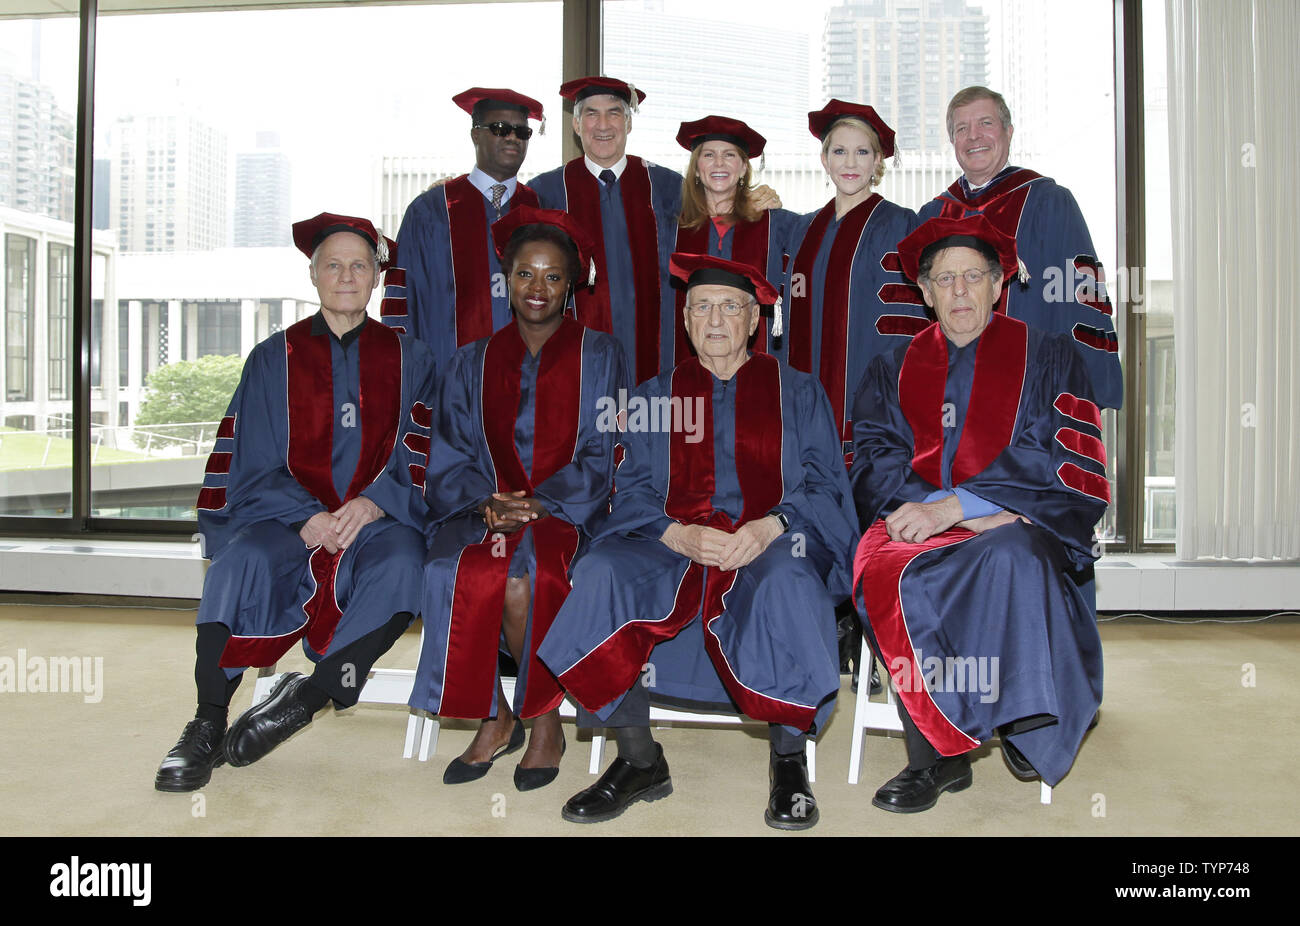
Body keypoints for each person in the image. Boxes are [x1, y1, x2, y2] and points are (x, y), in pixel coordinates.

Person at [538, 253, 857, 831]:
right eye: (702, 307)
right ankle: (639, 759)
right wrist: (676, 533)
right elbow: (627, 490)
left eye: (731, 307)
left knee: (792, 578)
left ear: (755, 321)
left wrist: (771, 527)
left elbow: (826, 486)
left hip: (771, 539)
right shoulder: (655, 397)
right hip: (672, 542)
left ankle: (788, 763)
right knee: (602, 570)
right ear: (684, 320)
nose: (716, 319)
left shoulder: (798, 393)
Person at [155, 213, 436, 792]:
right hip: (288, 520)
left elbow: (428, 444)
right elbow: (250, 458)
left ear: (377, 277)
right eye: (333, 264)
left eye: (360, 265)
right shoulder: (272, 357)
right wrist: (307, 516)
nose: (347, 276)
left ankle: (308, 696)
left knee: (406, 565)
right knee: (240, 563)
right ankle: (207, 720)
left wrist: (377, 502)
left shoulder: (412, 358)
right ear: (313, 275)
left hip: (377, 522)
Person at [850, 214, 1108, 813]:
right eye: (944, 280)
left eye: (972, 277)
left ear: (999, 285)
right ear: (924, 292)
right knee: (890, 571)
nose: (959, 291)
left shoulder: (1049, 358)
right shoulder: (892, 366)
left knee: (1013, 555)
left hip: (1015, 526)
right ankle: (936, 755)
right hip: (918, 526)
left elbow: (1066, 454)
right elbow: (872, 457)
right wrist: (941, 514)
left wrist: (962, 507)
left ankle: (1023, 713)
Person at [408, 207, 627, 792]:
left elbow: (603, 449)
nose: (538, 288)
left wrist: (540, 504)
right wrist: (485, 502)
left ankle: (542, 718)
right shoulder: (471, 360)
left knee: (523, 577)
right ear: (506, 278)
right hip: (483, 508)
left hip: (566, 511)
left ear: (572, 284)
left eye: (553, 276)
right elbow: (449, 453)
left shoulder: (599, 355)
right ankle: (492, 715)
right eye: (526, 274)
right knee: (453, 568)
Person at [917, 86, 1122, 411]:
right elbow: (920, 315)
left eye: (985, 123)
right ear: (952, 141)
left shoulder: (1049, 203)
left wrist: (1076, 394)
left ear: (1008, 132)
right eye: (961, 129)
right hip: (949, 398)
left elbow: (1077, 295)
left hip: (1034, 398)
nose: (973, 136)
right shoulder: (933, 216)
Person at [784, 100, 923, 470]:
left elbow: (909, 325)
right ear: (824, 159)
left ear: (878, 162)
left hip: (874, 398)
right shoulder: (802, 231)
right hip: (807, 395)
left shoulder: (902, 225)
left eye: (862, 152)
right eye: (839, 151)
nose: (850, 163)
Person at [382, 87, 545, 367]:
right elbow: (401, 307)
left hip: (529, 388)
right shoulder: (430, 211)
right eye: (500, 128)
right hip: (448, 388)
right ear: (475, 134)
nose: (512, 138)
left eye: (522, 132)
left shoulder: (540, 211)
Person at [670, 115, 800, 363]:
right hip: (691, 362)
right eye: (708, 155)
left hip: (760, 361)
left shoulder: (776, 224)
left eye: (729, 155)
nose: (719, 163)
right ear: (696, 168)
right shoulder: (674, 230)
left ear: (743, 168)